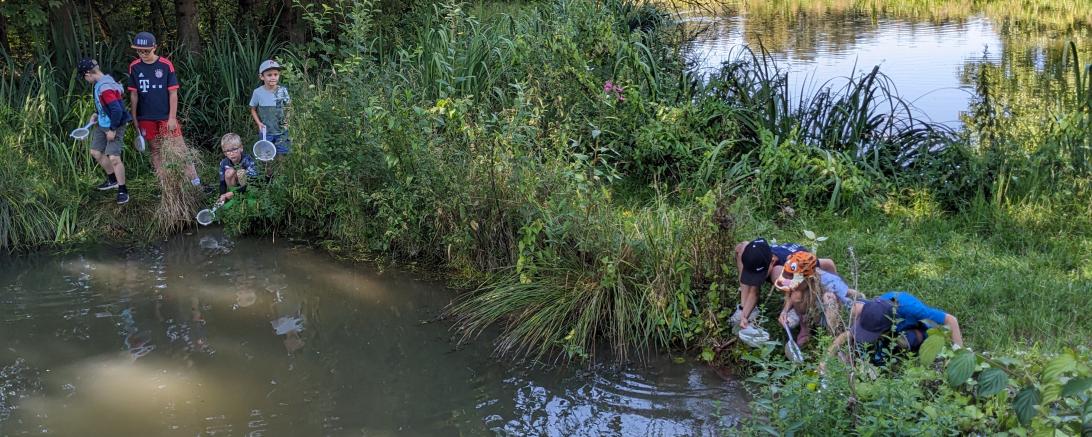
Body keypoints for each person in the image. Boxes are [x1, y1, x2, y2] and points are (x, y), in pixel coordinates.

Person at [126, 31, 202, 187]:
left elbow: (173, 93)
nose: (142, 54)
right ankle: (165, 184)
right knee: (155, 149)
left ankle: (195, 183)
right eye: (139, 51)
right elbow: (134, 95)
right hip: (145, 117)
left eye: (146, 51)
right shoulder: (134, 67)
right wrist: (134, 117)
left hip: (165, 116)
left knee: (179, 148)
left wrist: (172, 117)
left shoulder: (166, 65)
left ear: (154, 47)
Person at [826, 292, 963, 367]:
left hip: (914, 328)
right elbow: (847, 335)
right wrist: (825, 360)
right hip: (889, 328)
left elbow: (951, 320)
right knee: (864, 347)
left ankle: (902, 351)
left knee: (903, 341)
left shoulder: (911, 309)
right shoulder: (864, 310)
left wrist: (958, 355)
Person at [733, 238, 836, 329]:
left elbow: (828, 263)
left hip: (801, 281)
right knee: (742, 247)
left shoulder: (797, 262)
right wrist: (744, 316)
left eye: (759, 275)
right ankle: (743, 306)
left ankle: (801, 309)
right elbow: (753, 292)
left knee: (778, 274)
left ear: (772, 261)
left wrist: (834, 290)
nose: (755, 280)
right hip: (783, 268)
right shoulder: (760, 258)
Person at [774, 251, 866, 346]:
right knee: (791, 311)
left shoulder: (830, 282)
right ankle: (804, 327)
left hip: (829, 311)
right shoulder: (798, 285)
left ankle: (833, 335)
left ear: (809, 279)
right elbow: (790, 292)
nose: (792, 287)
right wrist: (784, 311)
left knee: (829, 298)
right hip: (810, 308)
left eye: (795, 283)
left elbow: (849, 300)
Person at [78, 58, 132, 204]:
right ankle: (112, 180)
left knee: (114, 158)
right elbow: (105, 105)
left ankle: (123, 190)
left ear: (88, 74)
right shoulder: (98, 83)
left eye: (84, 77)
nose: (85, 80)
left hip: (115, 124)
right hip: (102, 123)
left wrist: (112, 130)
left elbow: (117, 110)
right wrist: (97, 114)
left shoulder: (105, 87)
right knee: (95, 152)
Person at [249, 60, 291, 157]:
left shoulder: (283, 90)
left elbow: (288, 107)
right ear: (261, 77)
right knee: (266, 154)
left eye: (276, 74)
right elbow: (253, 109)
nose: (273, 77)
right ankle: (267, 167)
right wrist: (259, 123)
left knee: (282, 153)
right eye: (269, 75)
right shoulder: (258, 92)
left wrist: (287, 121)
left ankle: (281, 167)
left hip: (281, 130)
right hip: (266, 131)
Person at [216, 133, 259, 204]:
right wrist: (222, 194)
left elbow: (253, 181)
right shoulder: (224, 163)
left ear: (241, 148)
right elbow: (222, 182)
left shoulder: (248, 160)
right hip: (234, 186)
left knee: (241, 172)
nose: (231, 153)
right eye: (228, 151)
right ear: (225, 153)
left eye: (234, 149)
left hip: (248, 185)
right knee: (229, 172)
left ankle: (247, 195)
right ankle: (232, 195)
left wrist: (235, 193)